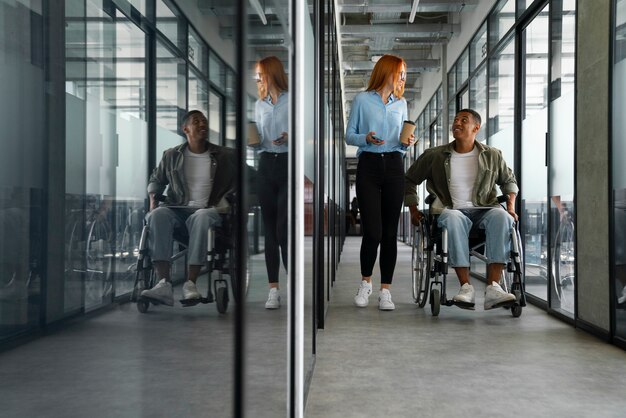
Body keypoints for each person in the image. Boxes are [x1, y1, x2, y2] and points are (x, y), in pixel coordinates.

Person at [404, 109, 518, 310]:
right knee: (453, 217)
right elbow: (409, 180)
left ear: (476, 127)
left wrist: (510, 207)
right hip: (451, 210)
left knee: (502, 217)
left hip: (485, 210)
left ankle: (493, 287)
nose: (457, 123)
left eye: (463, 120)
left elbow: (509, 181)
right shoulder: (434, 156)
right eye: (455, 119)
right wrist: (413, 210)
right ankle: (466, 287)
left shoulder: (492, 155)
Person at [140, 110, 236, 306]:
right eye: (197, 121)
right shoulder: (171, 155)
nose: (202, 124)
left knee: (201, 216)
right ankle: (163, 283)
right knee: (157, 215)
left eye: (204, 121)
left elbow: (246, 180)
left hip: (209, 210)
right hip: (178, 209)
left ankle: (190, 283)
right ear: (186, 129)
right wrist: (152, 197)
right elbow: (156, 180)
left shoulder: (225, 156)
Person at [345, 54, 415, 311]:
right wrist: (367, 138)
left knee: (389, 234)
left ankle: (386, 291)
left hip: (395, 166)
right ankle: (366, 283)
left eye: (404, 73)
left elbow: (402, 138)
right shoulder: (363, 100)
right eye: (400, 71)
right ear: (387, 71)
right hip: (369, 168)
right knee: (372, 231)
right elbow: (349, 135)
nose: (403, 77)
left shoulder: (401, 103)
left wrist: (407, 143)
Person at [253, 56, 289, 309]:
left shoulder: (294, 101)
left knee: (282, 229)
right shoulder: (260, 105)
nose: (257, 79)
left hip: (288, 164)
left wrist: (292, 135)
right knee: (269, 230)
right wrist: (253, 140)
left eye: (259, 74)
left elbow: (306, 135)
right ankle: (273, 290)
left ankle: (293, 284)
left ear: (271, 73)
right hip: (265, 165)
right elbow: (259, 136)